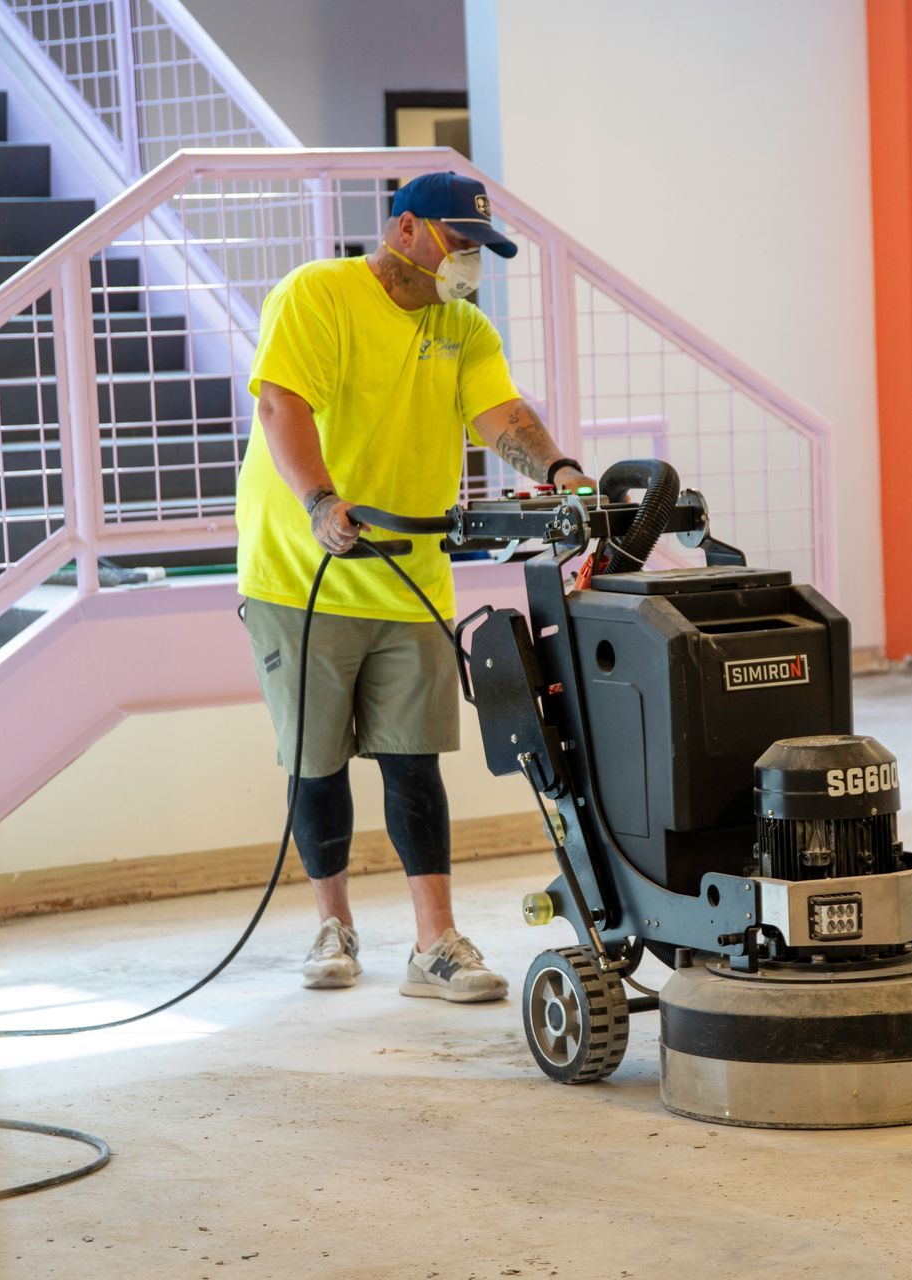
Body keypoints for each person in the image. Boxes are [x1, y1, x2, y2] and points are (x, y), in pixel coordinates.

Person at [234, 171, 593, 998]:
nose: (467, 260)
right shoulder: (316, 295)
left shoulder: (462, 327)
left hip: (407, 573)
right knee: (316, 763)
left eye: (477, 248)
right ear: (404, 230)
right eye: (456, 241)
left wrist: (563, 472)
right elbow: (281, 404)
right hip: (303, 571)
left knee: (412, 761)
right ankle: (335, 926)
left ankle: (435, 944)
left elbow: (500, 415)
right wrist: (321, 501)